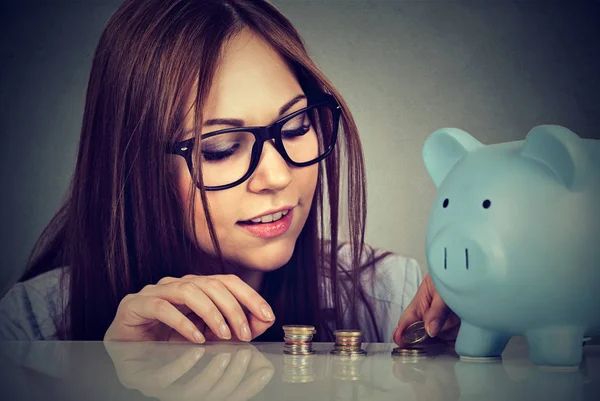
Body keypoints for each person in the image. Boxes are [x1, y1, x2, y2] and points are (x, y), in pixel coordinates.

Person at [0, 0, 459, 345]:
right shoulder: (30, 327)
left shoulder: (388, 296)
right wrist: (107, 380)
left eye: (297, 125)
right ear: (134, 165)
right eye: (220, 149)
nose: (277, 177)